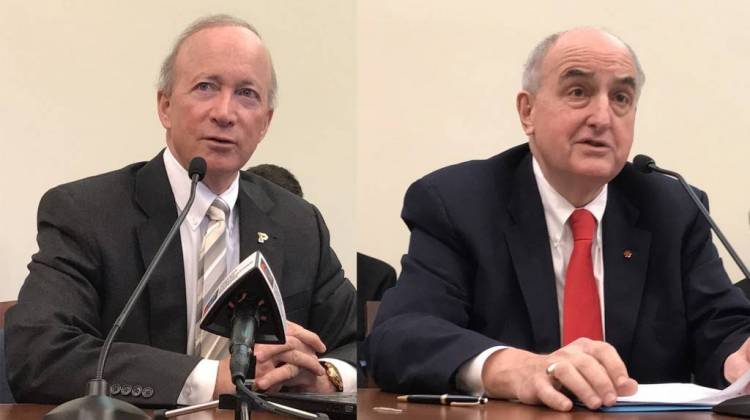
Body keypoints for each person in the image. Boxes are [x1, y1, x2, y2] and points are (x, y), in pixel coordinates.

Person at [366, 27, 750, 412]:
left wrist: (739, 359)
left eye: (621, 98)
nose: (602, 117)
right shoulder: (457, 202)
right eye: (578, 92)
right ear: (527, 111)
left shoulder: (673, 208)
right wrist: (515, 367)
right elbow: (400, 336)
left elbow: (722, 327)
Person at [6, 14, 356, 407]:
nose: (225, 112)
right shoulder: (86, 212)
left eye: (247, 94)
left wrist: (325, 377)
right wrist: (214, 378)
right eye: (206, 87)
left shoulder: (299, 223)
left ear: (265, 123)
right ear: (165, 106)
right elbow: (38, 354)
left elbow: (356, 344)